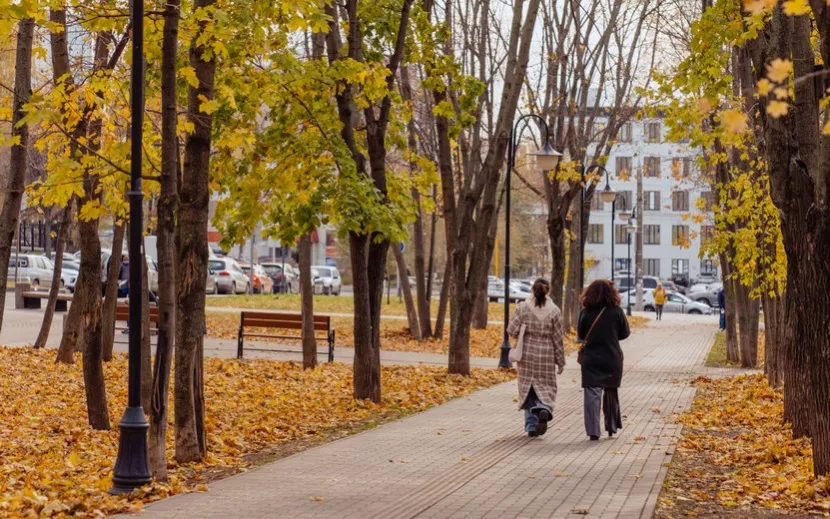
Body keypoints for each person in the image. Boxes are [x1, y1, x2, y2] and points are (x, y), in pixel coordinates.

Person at [507, 278, 566, 438]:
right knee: (547, 386)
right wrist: (560, 361)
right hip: (546, 354)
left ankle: (532, 426)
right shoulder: (554, 310)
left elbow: (511, 330)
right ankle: (544, 408)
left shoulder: (522, 307)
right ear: (548, 291)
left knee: (528, 387)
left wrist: (521, 333)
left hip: (526, 352)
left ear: (532, 290)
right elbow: (558, 338)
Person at [578, 279, 630, 441]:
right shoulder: (616, 312)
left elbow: (581, 334)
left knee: (592, 395)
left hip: (591, 359)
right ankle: (612, 425)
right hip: (612, 357)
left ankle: (593, 430)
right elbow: (625, 333)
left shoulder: (586, 312)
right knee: (611, 390)